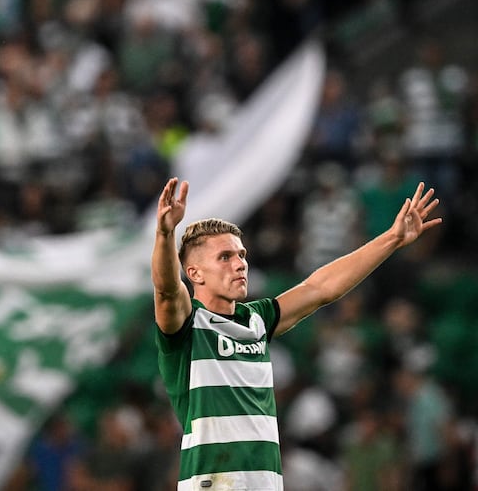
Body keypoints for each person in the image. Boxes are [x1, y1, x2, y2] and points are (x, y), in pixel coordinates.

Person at [151, 177, 441, 490]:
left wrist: (393, 238)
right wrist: (166, 233)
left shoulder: (257, 319)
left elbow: (320, 288)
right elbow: (167, 290)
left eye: (242, 255)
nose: (239, 265)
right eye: (225, 257)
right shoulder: (189, 324)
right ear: (194, 273)